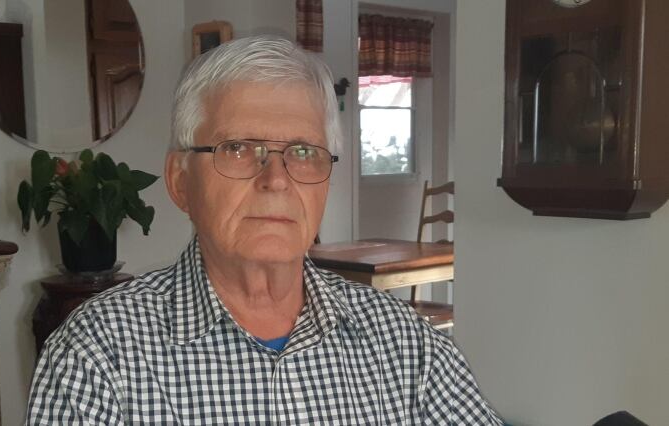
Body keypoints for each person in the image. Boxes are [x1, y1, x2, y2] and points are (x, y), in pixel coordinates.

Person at [26, 36, 503, 425]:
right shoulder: (95, 356)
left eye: (302, 152)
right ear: (179, 182)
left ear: (326, 181)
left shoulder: (408, 346)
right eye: (237, 147)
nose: (276, 179)